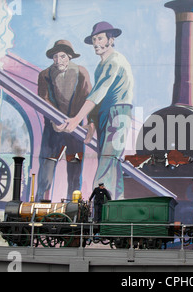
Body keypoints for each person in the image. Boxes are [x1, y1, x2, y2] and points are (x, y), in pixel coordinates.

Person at [58, 22, 134, 200]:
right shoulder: (101, 66)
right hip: (104, 114)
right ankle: (116, 204)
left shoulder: (115, 61)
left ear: (111, 39)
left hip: (118, 113)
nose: (96, 43)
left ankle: (99, 206)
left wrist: (77, 119)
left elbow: (100, 90)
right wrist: (91, 122)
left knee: (108, 161)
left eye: (100, 38)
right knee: (110, 163)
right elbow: (98, 96)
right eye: (94, 40)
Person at [36, 40, 92, 202]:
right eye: (55, 57)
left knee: (74, 171)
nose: (58, 60)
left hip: (75, 133)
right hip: (52, 131)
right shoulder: (45, 75)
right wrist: (54, 120)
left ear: (69, 57)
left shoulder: (81, 73)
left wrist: (82, 122)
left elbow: (89, 99)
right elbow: (43, 99)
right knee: (46, 168)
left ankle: (73, 206)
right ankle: (41, 203)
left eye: (62, 56)